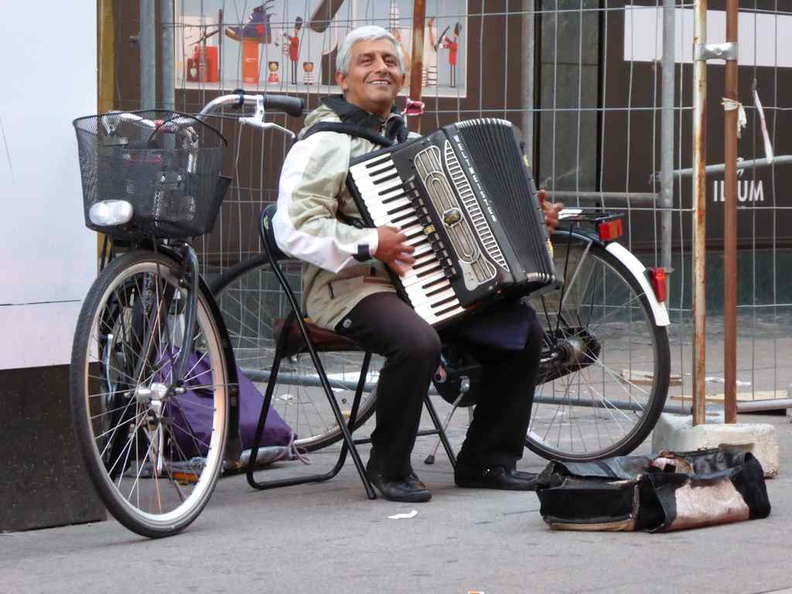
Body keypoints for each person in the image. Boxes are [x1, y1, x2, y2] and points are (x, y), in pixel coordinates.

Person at [273, 25, 562, 503]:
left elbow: (468, 226)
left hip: (431, 281)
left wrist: (533, 220)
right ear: (342, 78)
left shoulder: (420, 145)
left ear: (402, 78)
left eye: (389, 60)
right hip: (351, 285)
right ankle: (388, 467)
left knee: (524, 331)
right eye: (366, 60)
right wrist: (370, 242)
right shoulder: (323, 142)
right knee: (416, 341)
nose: (380, 67)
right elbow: (293, 227)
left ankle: (487, 460)